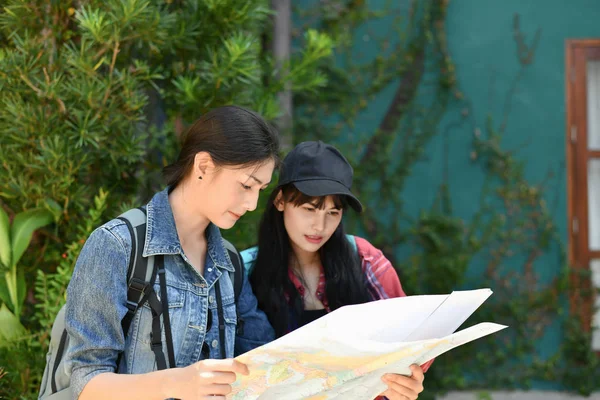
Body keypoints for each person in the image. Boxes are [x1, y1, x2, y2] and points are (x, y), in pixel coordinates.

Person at [64, 105, 279, 400]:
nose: (253, 203)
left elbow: (260, 359)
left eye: (260, 190)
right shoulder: (117, 245)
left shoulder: (228, 262)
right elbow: (86, 383)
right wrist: (176, 383)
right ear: (203, 166)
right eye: (245, 185)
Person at [245, 141, 433, 400]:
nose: (319, 226)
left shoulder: (365, 260)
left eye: (333, 213)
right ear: (280, 201)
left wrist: (409, 379)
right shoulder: (244, 271)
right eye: (309, 209)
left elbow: (413, 338)